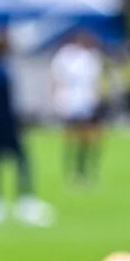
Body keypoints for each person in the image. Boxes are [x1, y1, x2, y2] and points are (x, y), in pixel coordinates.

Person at [0, 32, 52, 226]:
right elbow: (3, 103)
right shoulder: (0, 71)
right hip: (5, 124)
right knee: (21, 162)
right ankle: (23, 200)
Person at [50, 30, 106, 186]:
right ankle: (73, 173)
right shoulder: (64, 57)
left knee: (88, 140)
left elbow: (95, 82)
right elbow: (55, 79)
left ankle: (85, 171)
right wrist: (56, 100)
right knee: (71, 140)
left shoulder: (90, 57)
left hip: (86, 101)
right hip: (70, 102)